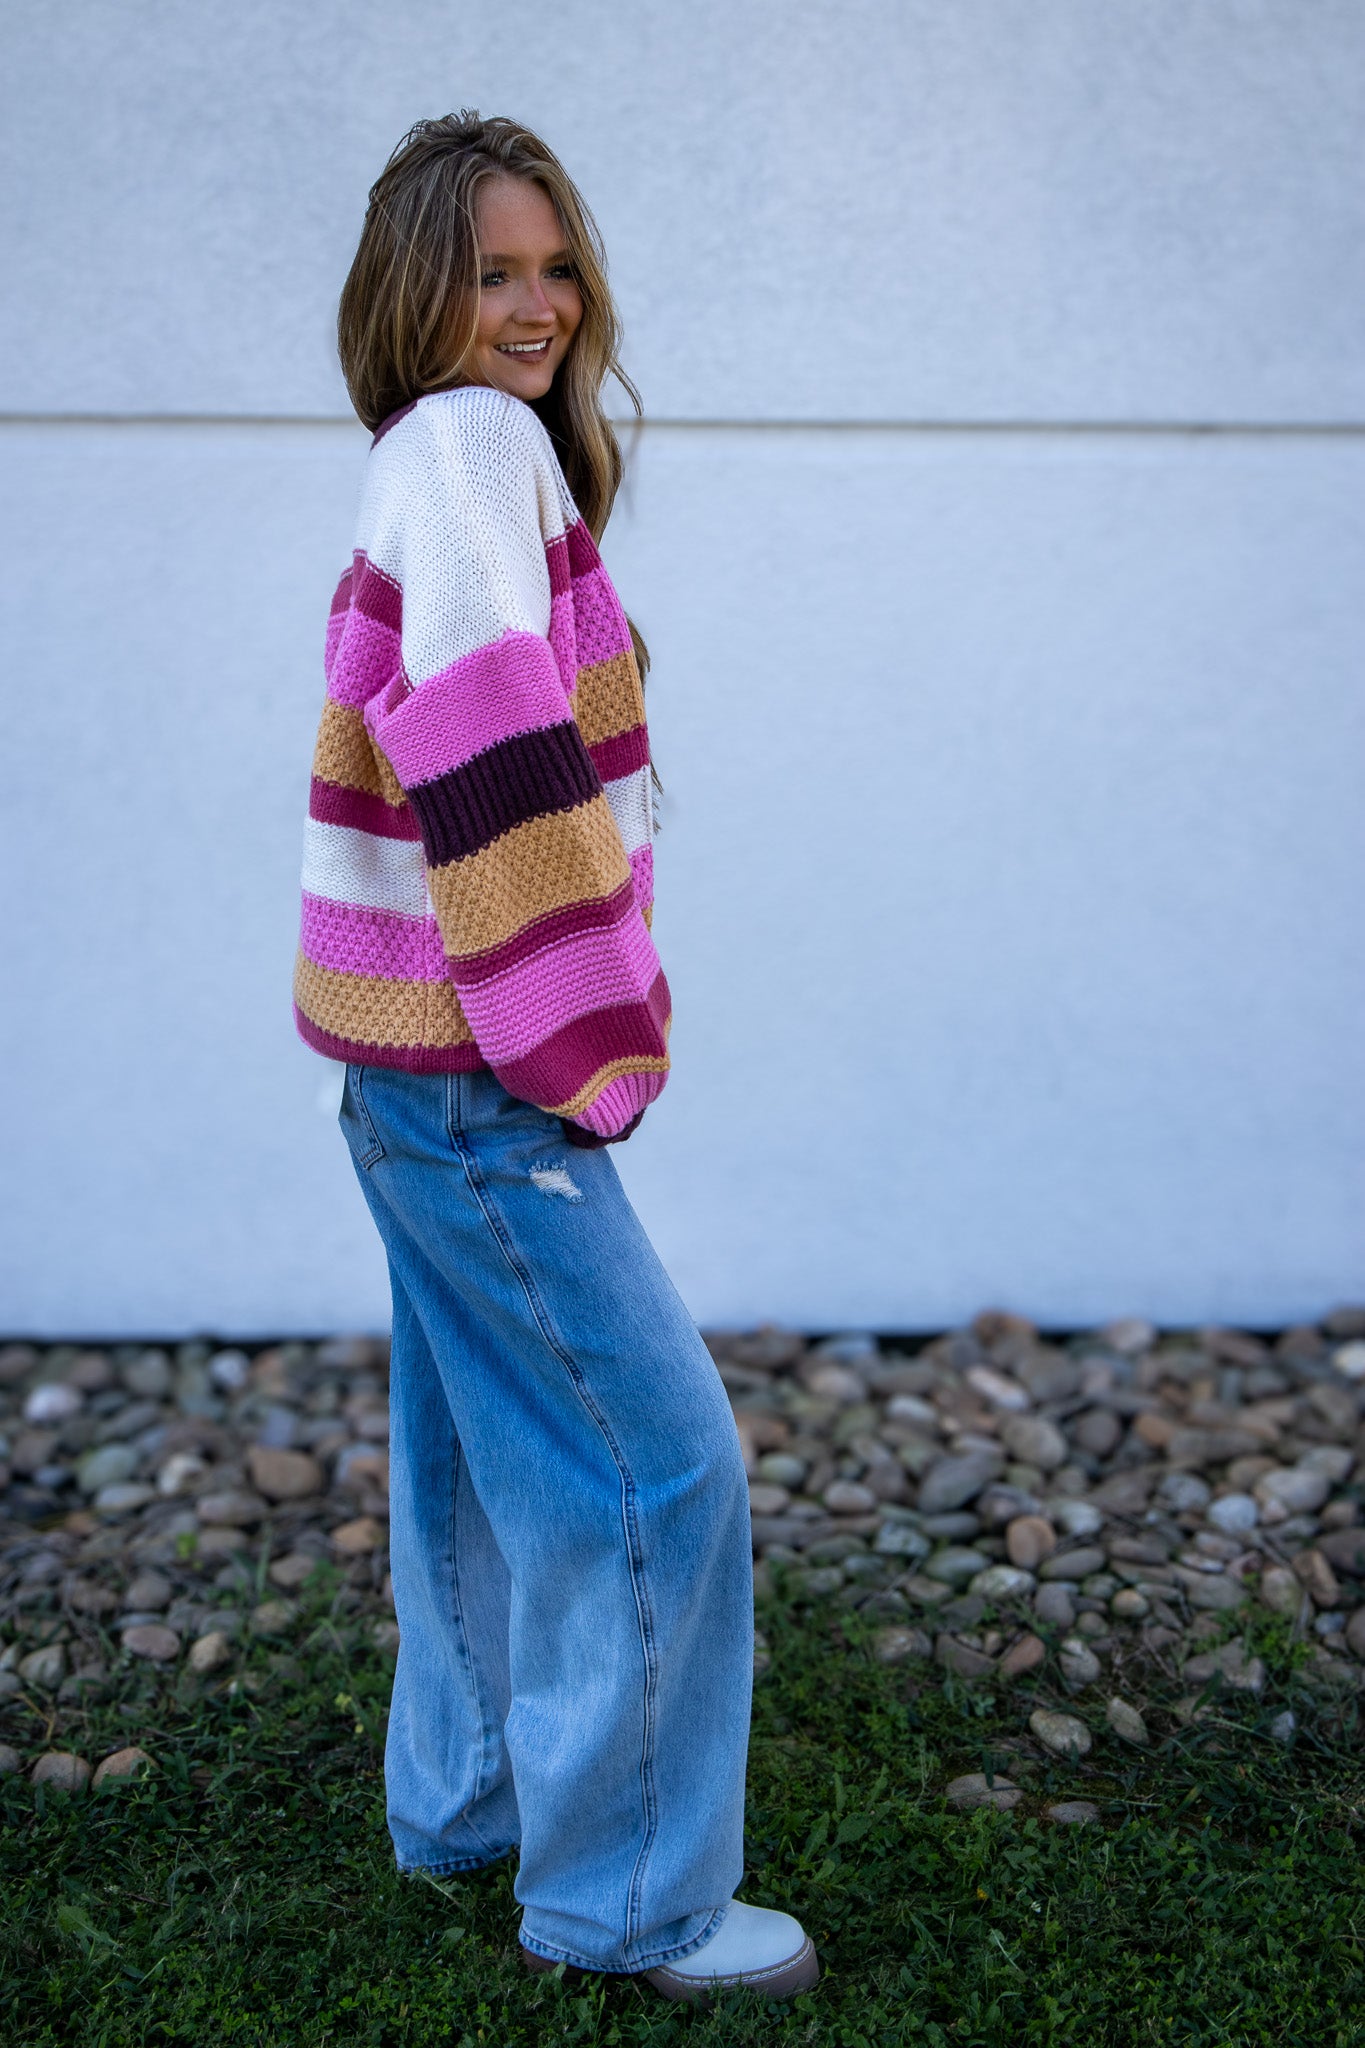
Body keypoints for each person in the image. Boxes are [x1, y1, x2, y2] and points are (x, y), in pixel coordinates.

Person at [292, 112, 818, 2003]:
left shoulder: (445, 458)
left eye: (554, 267)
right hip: (480, 1067)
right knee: (652, 1469)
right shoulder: (470, 446)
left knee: (470, 1455)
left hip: (406, 1068)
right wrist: (579, 1037)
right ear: (415, 291)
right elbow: (497, 749)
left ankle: (468, 1805)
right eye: (490, 271)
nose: (533, 307)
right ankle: (634, 1904)